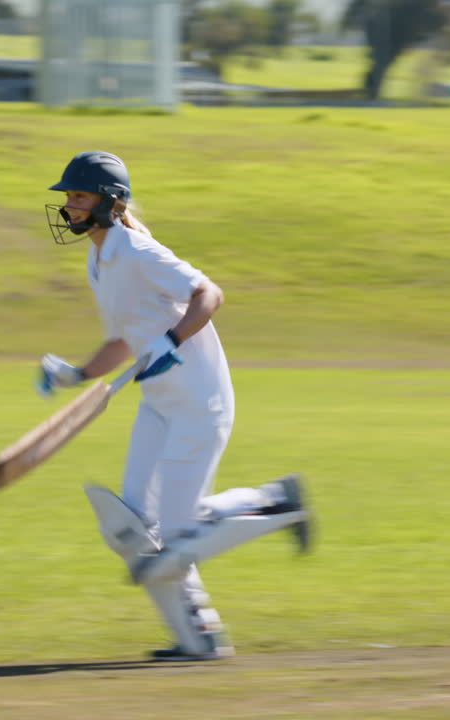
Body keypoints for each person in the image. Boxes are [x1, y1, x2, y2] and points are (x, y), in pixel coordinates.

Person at [37, 150, 314, 661]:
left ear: (110, 202)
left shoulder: (138, 252)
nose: (69, 207)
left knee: (177, 538)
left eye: (78, 196)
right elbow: (123, 341)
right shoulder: (99, 259)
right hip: (160, 403)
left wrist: (172, 339)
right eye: (69, 198)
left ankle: (280, 503)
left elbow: (209, 294)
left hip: (198, 401)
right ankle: (198, 635)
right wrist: (76, 372)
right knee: (138, 534)